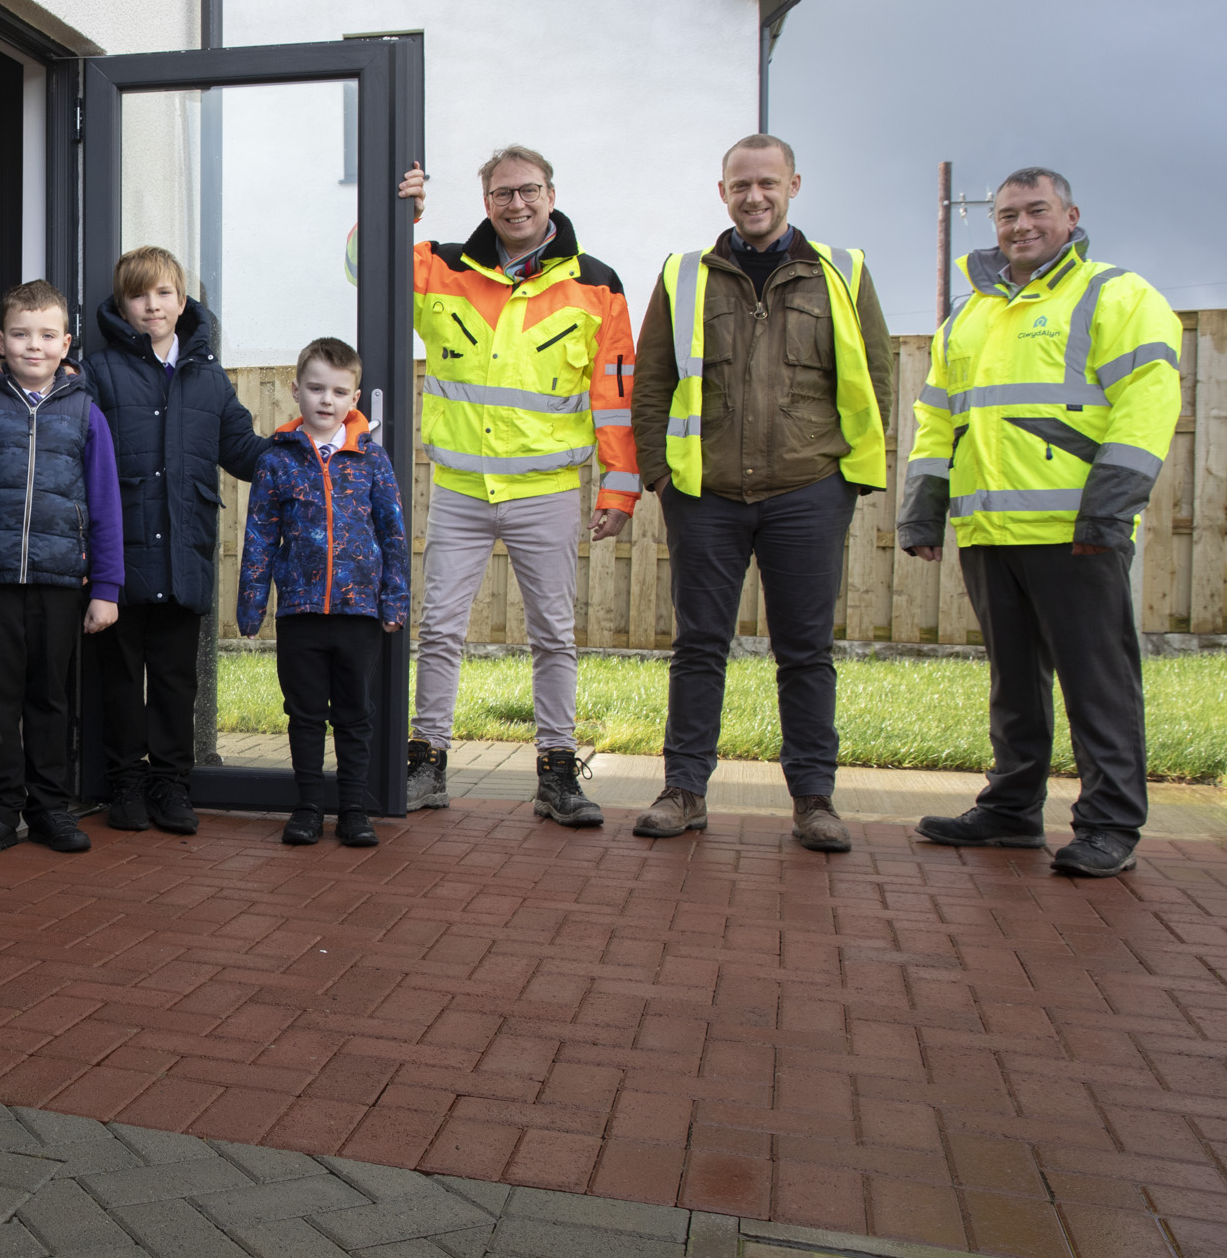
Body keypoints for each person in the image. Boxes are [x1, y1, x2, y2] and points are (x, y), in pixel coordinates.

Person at [898, 168, 1182, 878]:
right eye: (1005, 215)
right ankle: (1011, 810)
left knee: (1097, 683)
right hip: (990, 533)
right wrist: (923, 508)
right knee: (1013, 683)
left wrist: (1108, 509)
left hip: (1076, 531)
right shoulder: (968, 314)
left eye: (1034, 210)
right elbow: (938, 417)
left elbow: (1146, 404)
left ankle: (1110, 823)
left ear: (1069, 215)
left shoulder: (1114, 294)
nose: (1018, 225)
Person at [629, 134, 893, 852]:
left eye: (767, 183)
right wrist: (660, 475)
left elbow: (874, 375)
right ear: (722, 191)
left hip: (807, 490)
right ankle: (682, 791)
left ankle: (814, 799)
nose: (753, 196)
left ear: (793, 186)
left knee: (805, 651)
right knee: (697, 647)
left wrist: (845, 480)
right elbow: (650, 382)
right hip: (704, 493)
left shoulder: (841, 272)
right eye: (740, 184)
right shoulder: (683, 275)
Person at [394, 149, 637, 827]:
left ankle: (557, 775)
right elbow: (363, 267)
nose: (516, 204)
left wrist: (619, 489)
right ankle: (425, 764)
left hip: (547, 490)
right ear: (485, 201)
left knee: (553, 636)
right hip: (461, 488)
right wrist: (398, 214)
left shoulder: (597, 284)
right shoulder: (440, 267)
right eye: (502, 193)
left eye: (528, 190)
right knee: (438, 630)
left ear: (550, 194)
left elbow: (614, 395)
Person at [80, 246, 269, 836]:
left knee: (174, 679)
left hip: (183, 555)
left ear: (182, 302)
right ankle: (126, 784)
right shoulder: (98, 372)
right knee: (117, 680)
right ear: (122, 305)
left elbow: (243, 450)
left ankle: (171, 785)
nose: (152, 305)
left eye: (163, 293)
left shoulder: (208, 378)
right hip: (119, 559)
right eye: (139, 295)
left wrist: (312, 445)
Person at [0, 281, 125, 856]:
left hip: (60, 583)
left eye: (47, 335)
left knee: (50, 698)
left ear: (65, 344)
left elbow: (105, 503)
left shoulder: (85, 414)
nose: (35, 346)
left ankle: (50, 807)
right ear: (2, 340)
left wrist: (106, 588)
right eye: (23, 335)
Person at [236, 338, 411, 848]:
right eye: (315, 388)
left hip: (359, 611)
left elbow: (393, 533)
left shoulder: (371, 460)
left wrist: (394, 601)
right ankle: (308, 805)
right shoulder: (276, 461)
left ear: (354, 398)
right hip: (300, 610)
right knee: (306, 712)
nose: (326, 400)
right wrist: (252, 605)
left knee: (354, 713)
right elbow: (261, 535)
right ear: (296, 391)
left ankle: (354, 808)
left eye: (338, 391)